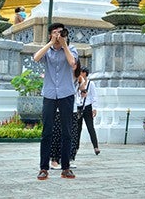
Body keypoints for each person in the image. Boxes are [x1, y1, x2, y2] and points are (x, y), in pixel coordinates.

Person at [34, 22, 79, 180]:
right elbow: (36, 58)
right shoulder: (48, 51)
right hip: (49, 94)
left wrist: (64, 45)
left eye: (61, 32)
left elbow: (72, 63)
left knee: (67, 132)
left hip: (66, 93)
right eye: (55, 32)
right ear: (50, 34)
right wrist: (50, 43)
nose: (59, 35)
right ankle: (43, 168)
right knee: (47, 131)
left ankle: (66, 167)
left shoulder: (71, 49)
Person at [50, 61, 81, 170]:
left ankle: (67, 159)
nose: (72, 65)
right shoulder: (61, 76)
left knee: (71, 135)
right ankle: (54, 160)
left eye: (75, 64)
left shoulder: (77, 78)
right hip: (60, 109)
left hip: (73, 109)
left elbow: (80, 91)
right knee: (57, 135)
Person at [74, 67, 101, 158]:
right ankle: (76, 147)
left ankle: (96, 147)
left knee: (90, 127)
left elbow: (94, 96)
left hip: (88, 107)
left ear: (85, 73)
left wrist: (94, 108)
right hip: (79, 107)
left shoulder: (90, 84)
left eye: (81, 72)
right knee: (77, 129)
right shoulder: (77, 83)